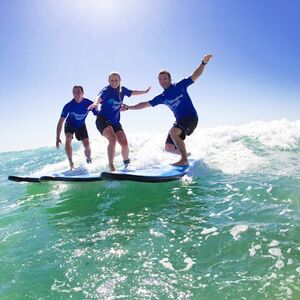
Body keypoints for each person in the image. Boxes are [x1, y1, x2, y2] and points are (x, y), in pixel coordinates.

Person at [124, 54, 213, 166]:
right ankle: (187, 155)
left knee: (173, 133)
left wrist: (203, 63)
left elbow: (195, 75)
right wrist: (128, 107)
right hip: (180, 121)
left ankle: (184, 159)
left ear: (170, 79)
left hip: (191, 118)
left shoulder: (180, 86)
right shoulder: (162, 97)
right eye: (160, 79)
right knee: (168, 148)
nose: (163, 81)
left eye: (165, 78)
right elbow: (144, 104)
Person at [88, 72, 150, 171]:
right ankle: (111, 166)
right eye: (112, 80)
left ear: (119, 81)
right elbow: (99, 97)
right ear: (109, 81)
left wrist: (145, 92)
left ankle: (127, 164)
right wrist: (95, 103)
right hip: (102, 120)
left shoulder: (122, 90)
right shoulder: (106, 90)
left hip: (115, 122)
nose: (114, 82)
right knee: (112, 140)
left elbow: (133, 92)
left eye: (116, 80)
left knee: (124, 143)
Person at [56, 85, 97, 170]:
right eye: (74, 92)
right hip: (69, 125)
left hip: (81, 125)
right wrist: (57, 137)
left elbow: (98, 114)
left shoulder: (88, 103)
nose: (76, 94)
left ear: (83, 93)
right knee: (68, 138)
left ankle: (89, 160)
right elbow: (60, 122)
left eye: (78, 92)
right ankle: (71, 163)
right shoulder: (68, 105)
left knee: (87, 145)